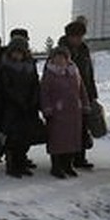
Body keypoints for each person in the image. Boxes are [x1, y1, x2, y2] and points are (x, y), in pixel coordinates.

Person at [0, 36, 42, 177]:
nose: (18, 55)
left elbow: (35, 84)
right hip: (12, 107)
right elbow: (5, 87)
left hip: (28, 107)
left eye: (20, 52)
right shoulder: (5, 67)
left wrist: (33, 100)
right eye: (15, 52)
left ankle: (21, 163)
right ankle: (12, 165)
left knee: (25, 138)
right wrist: (18, 101)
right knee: (13, 139)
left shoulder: (30, 66)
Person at [40, 45, 86, 179]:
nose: (60, 60)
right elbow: (44, 92)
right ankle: (56, 166)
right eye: (57, 57)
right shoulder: (49, 73)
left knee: (72, 139)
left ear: (68, 59)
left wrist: (85, 104)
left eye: (63, 57)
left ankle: (68, 164)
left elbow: (81, 89)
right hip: (57, 112)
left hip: (73, 111)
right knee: (57, 140)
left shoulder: (74, 72)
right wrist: (46, 108)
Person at [59, 19, 98, 170]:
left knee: (83, 126)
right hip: (67, 96)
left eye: (81, 36)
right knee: (69, 128)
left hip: (84, 92)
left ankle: (80, 157)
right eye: (76, 36)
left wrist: (92, 94)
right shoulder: (62, 51)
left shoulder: (84, 50)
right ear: (69, 36)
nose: (79, 39)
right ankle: (67, 159)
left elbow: (89, 73)